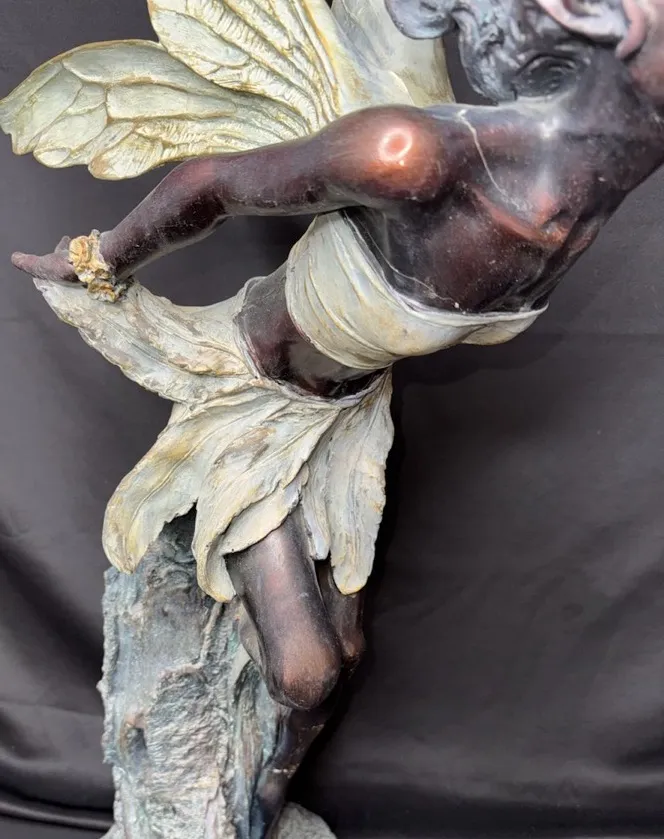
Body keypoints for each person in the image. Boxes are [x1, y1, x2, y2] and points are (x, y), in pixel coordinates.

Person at [7, 0, 664, 778]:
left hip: (350, 417)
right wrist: (97, 261)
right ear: (609, 23)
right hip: (251, 404)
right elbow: (214, 184)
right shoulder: (413, 155)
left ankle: (252, 799)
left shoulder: (580, 196)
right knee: (308, 672)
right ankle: (216, 775)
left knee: (344, 653)